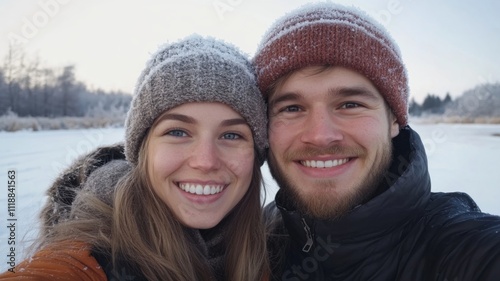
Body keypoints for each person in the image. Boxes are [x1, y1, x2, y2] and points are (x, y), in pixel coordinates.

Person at [253, 3, 500, 280]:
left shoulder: (466, 249)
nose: (320, 135)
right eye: (291, 108)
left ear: (394, 119)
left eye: (349, 104)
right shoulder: (255, 238)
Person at [1, 35, 269, 281]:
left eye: (232, 135)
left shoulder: (274, 250)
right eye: (177, 131)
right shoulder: (85, 259)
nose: (206, 161)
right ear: (142, 151)